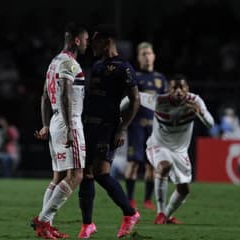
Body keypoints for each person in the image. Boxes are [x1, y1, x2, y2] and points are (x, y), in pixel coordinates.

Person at [123, 75, 214, 224]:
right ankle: (159, 213)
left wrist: (200, 112)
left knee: (184, 190)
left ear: (187, 89)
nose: (178, 91)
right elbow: (132, 97)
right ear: (168, 90)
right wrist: (119, 115)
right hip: (158, 145)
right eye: (174, 88)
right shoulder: (159, 100)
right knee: (164, 166)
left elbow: (210, 124)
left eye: (182, 88)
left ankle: (166, 215)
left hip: (180, 151)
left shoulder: (195, 101)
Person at [77, 25, 140, 239]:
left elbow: (135, 101)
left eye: (95, 41)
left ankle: (130, 214)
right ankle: (87, 225)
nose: (91, 45)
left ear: (107, 41)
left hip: (108, 126)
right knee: (85, 174)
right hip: (89, 125)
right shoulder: (96, 65)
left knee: (102, 174)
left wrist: (122, 129)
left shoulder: (124, 67)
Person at [31, 22, 89, 239]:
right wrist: (68, 127)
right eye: (85, 40)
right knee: (76, 175)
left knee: (58, 176)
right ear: (76, 40)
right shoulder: (69, 64)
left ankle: (46, 226)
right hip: (68, 121)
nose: (87, 43)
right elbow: (64, 93)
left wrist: (46, 124)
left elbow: (45, 96)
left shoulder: (54, 62)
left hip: (56, 120)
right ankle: (43, 221)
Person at [124, 42, 168, 210]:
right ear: (138, 57)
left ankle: (148, 200)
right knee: (134, 163)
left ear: (154, 56)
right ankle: (130, 199)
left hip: (155, 127)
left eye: (149, 53)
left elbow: (165, 104)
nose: (147, 56)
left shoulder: (160, 79)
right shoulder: (134, 76)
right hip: (136, 125)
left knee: (152, 164)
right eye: (143, 54)